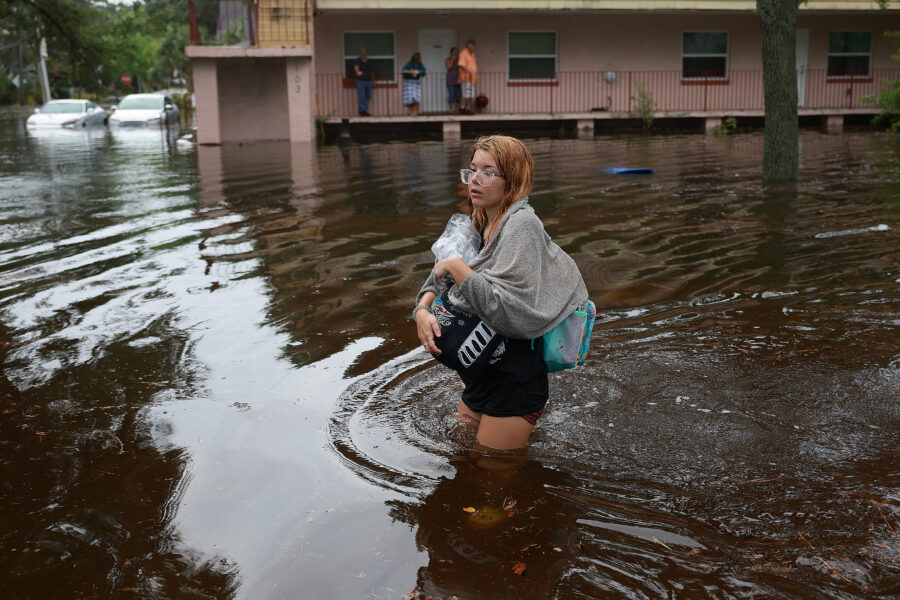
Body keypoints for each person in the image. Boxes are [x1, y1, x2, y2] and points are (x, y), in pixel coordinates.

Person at [413, 135, 588, 451]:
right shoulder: (478, 219)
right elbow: (435, 278)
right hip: (480, 372)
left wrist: (457, 268)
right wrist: (421, 312)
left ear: (513, 181)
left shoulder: (522, 226)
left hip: (515, 379)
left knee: (492, 474)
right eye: (472, 170)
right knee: (462, 455)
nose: (475, 180)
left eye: (488, 172)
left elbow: (509, 312)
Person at [401, 52, 426, 116]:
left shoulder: (420, 64)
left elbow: (423, 71)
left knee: (416, 97)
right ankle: (410, 112)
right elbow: (403, 70)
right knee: (410, 98)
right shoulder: (410, 64)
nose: (421, 59)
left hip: (416, 82)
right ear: (417, 58)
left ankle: (416, 112)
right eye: (420, 57)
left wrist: (419, 72)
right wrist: (411, 71)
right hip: (408, 82)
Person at [457, 40, 478, 115]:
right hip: (466, 77)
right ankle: (465, 109)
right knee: (467, 94)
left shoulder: (472, 54)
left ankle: (466, 108)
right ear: (469, 45)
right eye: (473, 46)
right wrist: (469, 71)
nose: (474, 47)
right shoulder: (463, 53)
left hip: (472, 78)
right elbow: (461, 65)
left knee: (471, 95)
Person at [352, 47, 374, 116]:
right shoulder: (357, 61)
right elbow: (356, 68)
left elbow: (372, 72)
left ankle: (364, 110)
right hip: (360, 81)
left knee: (368, 96)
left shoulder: (369, 62)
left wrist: (373, 81)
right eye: (362, 52)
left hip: (369, 81)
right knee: (362, 95)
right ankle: (362, 111)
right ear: (360, 53)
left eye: (365, 52)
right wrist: (357, 71)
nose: (363, 53)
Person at [445, 46, 461, 114]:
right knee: (451, 95)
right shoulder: (447, 59)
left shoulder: (459, 60)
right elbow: (449, 67)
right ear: (451, 52)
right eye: (454, 52)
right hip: (450, 80)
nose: (456, 53)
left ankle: (457, 109)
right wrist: (452, 59)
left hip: (458, 80)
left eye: (456, 52)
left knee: (458, 95)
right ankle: (451, 109)